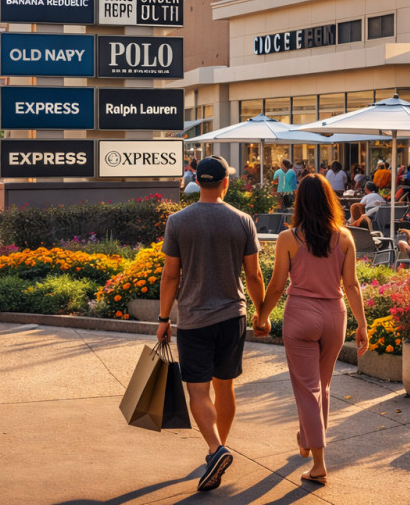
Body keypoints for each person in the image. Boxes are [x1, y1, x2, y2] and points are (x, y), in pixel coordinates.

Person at [156, 156, 265, 493]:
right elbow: (254, 274)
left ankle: (216, 449)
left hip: (194, 318)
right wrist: (263, 313)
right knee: (225, 387)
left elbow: (171, 275)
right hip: (233, 315)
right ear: (225, 183)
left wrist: (163, 319)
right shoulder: (243, 220)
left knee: (198, 391)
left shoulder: (177, 221)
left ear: (197, 183)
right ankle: (217, 449)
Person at [255, 173, 367, 486]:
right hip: (335, 315)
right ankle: (307, 437)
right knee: (323, 386)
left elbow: (277, 285)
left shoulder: (288, 238)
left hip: (300, 316)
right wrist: (362, 325)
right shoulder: (344, 237)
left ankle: (318, 464)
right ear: (330, 200)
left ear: (300, 200)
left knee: (307, 390)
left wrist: (262, 316)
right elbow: (352, 285)